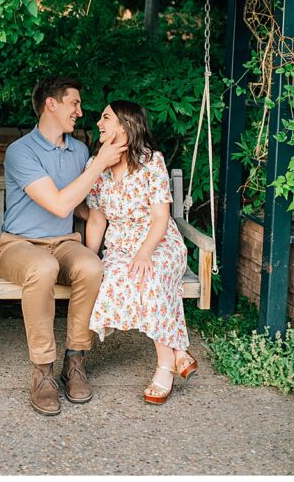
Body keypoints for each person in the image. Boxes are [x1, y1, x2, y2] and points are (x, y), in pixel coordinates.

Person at [0, 77, 127, 416]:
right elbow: (57, 205)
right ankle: (42, 373)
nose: (80, 112)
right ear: (51, 104)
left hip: (64, 242)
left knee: (92, 266)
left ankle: (75, 362)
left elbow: (79, 205)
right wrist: (99, 163)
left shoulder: (79, 150)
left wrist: (110, 214)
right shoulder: (21, 151)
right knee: (43, 267)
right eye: (74, 104)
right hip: (19, 245)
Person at [85, 100, 195, 405]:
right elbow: (96, 219)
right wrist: (90, 257)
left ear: (125, 125)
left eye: (105, 117)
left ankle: (165, 366)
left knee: (149, 274)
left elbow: (161, 218)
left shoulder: (151, 162)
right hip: (120, 245)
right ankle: (177, 351)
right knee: (120, 275)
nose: (98, 123)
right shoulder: (97, 167)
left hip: (159, 242)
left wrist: (146, 252)